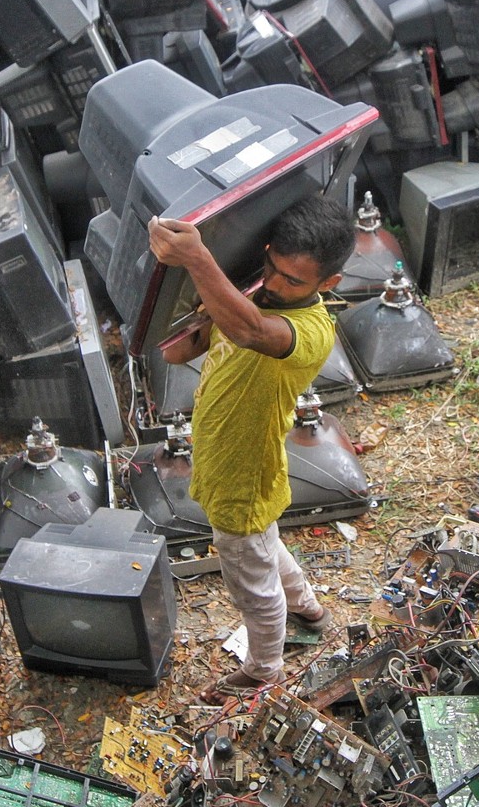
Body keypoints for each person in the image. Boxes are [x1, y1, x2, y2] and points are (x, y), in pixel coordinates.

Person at [148, 194, 356, 701]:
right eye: (272, 268)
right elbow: (179, 349)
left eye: (293, 280)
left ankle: (266, 667)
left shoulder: (309, 330)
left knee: (250, 578)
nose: (277, 284)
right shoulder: (253, 291)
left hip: (243, 471)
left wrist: (199, 259)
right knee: (264, 546)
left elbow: (248, 329)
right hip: (227, 459)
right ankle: (308, 609)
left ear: (328, 284)